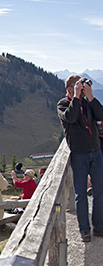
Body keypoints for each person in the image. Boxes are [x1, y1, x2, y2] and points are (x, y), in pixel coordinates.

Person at [60, 75, 103, 241]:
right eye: (78, 85)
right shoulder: (63, 104)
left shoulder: (88, 102)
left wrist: (91, 97)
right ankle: (84, 229)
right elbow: (71, 117)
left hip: (95, 151)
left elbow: (100, 115)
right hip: (79, 154)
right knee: (81, 194)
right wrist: (77, 97)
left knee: (99, 190)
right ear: (70, 88)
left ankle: (99, 227)